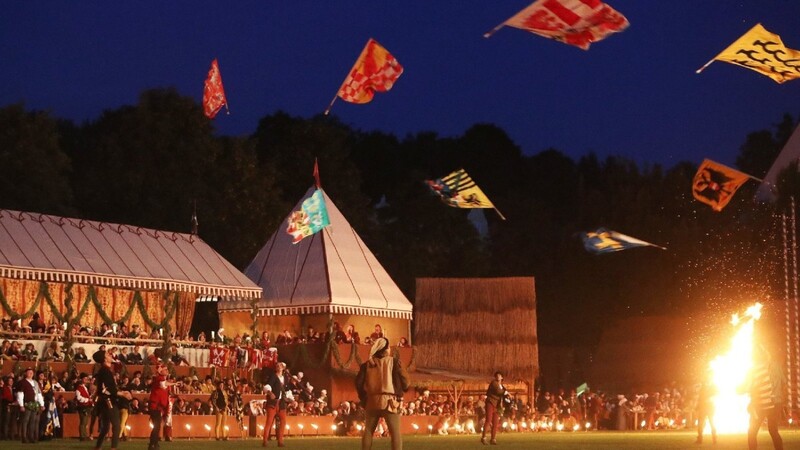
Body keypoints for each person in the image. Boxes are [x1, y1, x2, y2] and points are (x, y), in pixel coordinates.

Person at [356, 337, 410, 450]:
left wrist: (364, 397)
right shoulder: (394, 362)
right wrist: (403, 390)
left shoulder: (366, 365)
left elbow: (358, 383)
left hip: (372, 400)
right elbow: (405, 381)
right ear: (385, 349)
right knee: (395, 433)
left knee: (368, 432)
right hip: (390, 401)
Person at [745, 344, 784, 450]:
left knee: (752, 432)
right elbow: (783, 383)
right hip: (775, 402)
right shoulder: (776, 365)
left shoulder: (756, 369)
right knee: (773, 430)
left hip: (762, 404)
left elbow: (751, 387)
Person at [93, 349, 132, 450]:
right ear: (105, 359)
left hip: (104, 401)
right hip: (108, 401)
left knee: (105, 427)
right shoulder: (105, 371)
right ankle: (113, 448)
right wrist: (122, 394)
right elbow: (108, 389)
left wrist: (122, 392)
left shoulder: (105, 370)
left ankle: (98, 447)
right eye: (107, 354)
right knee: (117, 425)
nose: (110, 355)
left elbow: (110, 387)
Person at [263, 362, 290, 447]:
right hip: (273, 403)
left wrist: (291, 400)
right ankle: (265, 441)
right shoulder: (273, 376)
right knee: (269, 422)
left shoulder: (285, 378)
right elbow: (267, 386)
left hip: (281, 403)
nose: (278, 367)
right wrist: (270, 392)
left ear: (283, 368)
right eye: (277, 366)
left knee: (283, 422)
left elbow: (287, 390)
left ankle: (280, 441)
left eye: (280, 366)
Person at [15, 367, 44, 444]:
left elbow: (39, 394)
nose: (30, 373)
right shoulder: (23, 382)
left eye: (32, 372)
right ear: (26, 373)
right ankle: (24, 437)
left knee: (32, 421)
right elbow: (20, 394)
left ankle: (31, 436)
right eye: (29, 372)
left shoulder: (35, 383)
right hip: (27, 403)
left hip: (34, 404)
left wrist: (41, 404)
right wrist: (21, 405)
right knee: (25, 421)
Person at [481, 371, 508, 445]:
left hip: (497, 405)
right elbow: (498, 391)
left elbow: (504, 394)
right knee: (488, 420)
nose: (498, 376)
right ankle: (483, 437)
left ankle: (493, 439)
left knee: (495, 422)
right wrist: (506, 393)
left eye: (500, 375)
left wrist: (507, 396)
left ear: (502, 377)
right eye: (497, 375)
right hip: (490, 403)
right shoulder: (494, 383)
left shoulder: (502, 386)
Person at [695, 379, 717, 445]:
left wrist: (697, 407)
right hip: (708, 408)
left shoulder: (704, 390)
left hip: (705, 408)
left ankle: (700, 439)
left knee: (702, 424)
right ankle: (714, 438)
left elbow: (700, 399)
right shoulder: (711, 389)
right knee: (710, 423)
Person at [75, 372, 94, 441]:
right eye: (85, 378)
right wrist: (87, 400)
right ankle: (82, 436)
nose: (86, 380)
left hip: (87, 406)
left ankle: (84, 435)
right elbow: (79, 398)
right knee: (83, 422)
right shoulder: (79, 388)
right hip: (83, 406)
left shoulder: (84, 387)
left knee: (85, 422)